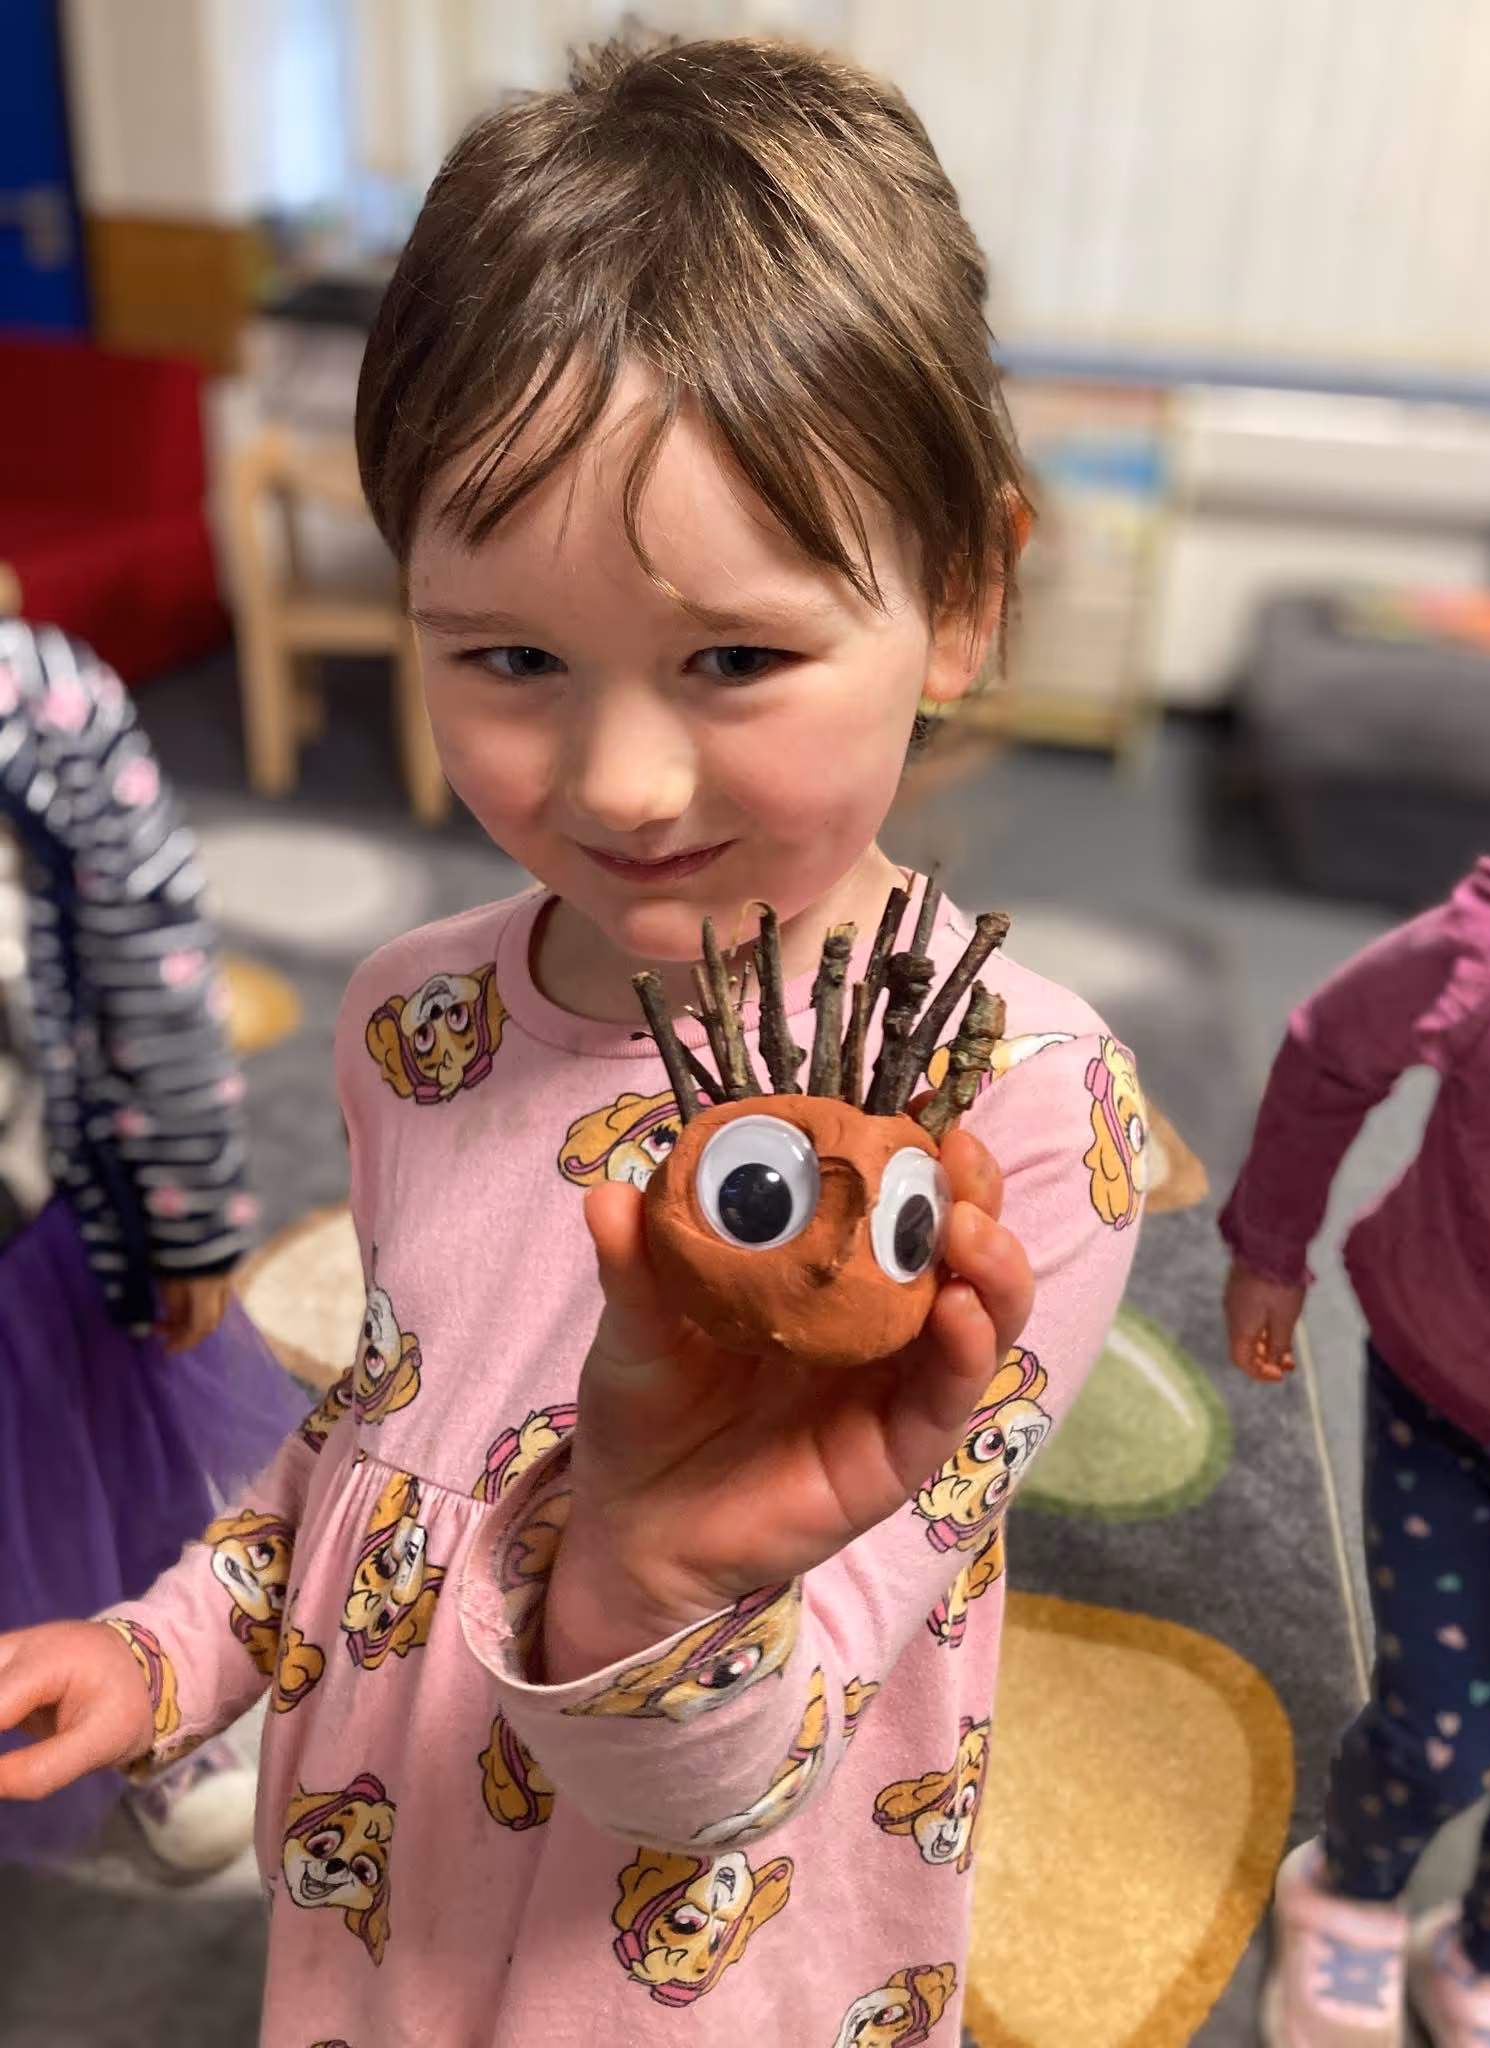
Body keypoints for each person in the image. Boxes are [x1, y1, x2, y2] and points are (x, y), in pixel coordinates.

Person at [0, 37, 1141, 2042]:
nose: (618, 778)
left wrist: (645, 1584)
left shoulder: (1019, 1119)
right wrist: (174, 1641)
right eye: (510, 656)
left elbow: (785, 1730)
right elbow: (377, 1435)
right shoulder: (412, 1023)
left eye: (737, 657)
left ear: (960, 597)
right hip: (377, 1901)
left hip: (699, 1966)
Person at [0, 620, 304, 1873]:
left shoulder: (41, 704)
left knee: (96, 1481)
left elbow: (155, 966)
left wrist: (184, 1212)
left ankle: (153, 1694)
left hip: (30, 1223)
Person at [1221, 856, 1490, 2047]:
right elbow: (1332, 1046)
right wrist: (1270, 1242)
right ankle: (1350, 1887)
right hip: (1447, 1392)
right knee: (1439, 1733)